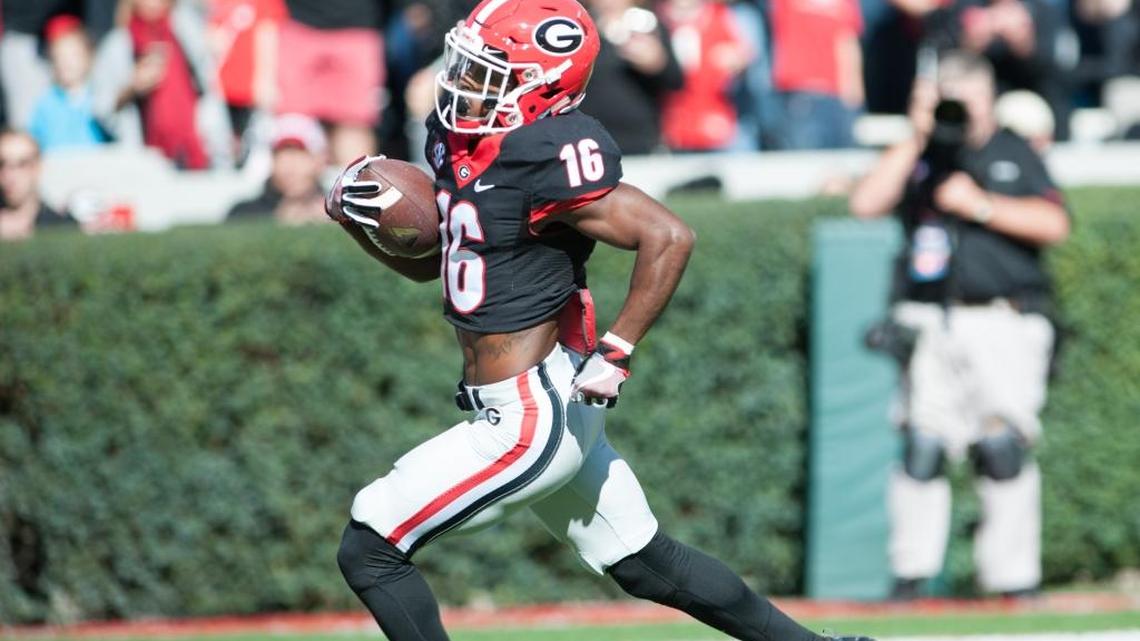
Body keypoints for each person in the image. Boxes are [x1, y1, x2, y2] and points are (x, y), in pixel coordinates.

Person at [326, 1, 876, 640]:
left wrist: (617, 349)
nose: (465, 85)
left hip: (530, 415)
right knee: (645, 562)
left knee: (369, 546)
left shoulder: (547, 148)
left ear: (544, 88)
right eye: (468, 66)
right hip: (539, 399)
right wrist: (361, 226)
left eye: (491, 73)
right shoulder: (456, 140)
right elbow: (439, 269)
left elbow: (668, 234)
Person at [848, 50, 1070, 600]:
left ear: (988, 98)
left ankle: (1014, 580)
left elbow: (1054, 223)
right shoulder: (921, 155)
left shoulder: (1011, 151)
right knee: (922, 447)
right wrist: (917, 134)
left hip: (1001, 318)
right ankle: (911, 576)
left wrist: (983, 207)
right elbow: (865, 204)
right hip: (930, 320)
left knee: (1002, 449)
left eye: (964, 100)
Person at [91, 0, 233, 169]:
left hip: (196, 152)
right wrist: (132, 87)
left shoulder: (186, 32)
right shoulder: (119, 44)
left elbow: (207, 89)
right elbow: (101, 106)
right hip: (145, 160)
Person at [278, 0, 384, 166]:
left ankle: (355, 189)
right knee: (294, 130)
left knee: (353, 125)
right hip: (297, 24)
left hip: (357, 29)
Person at [578, 0, 683, 154]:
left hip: (640, 140)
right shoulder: (580, 30)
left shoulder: (650, 26)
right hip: (591, 142)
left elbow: (676, 81)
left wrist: (657, 62)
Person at [27, 15, 110, 152]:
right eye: (60, 56)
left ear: (89, 56)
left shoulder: (102, 98)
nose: (66, 63)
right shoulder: (44, 103)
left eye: (73, 55)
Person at [227, 113, 328, 225]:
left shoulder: (342, 211)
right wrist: (276, 221)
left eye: (299, 155)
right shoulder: (242, 215)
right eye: (281, 155)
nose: (290, 166)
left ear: (320, 160)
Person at [0, 129, 79, 241]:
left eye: (22, 164)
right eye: (1, 164)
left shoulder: (63, 226)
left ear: (38, 167)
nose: (9, 175)